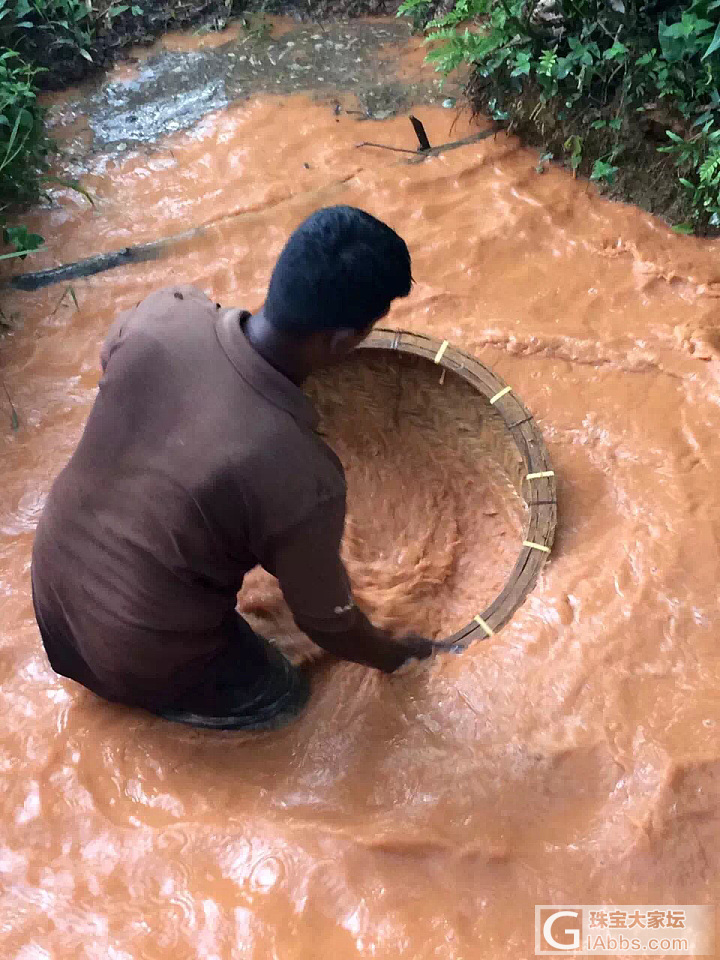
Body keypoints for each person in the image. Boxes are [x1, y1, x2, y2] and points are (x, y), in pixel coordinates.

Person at [31, 206, 434, 731]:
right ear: (339, 343)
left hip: (52, 596)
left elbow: (112, 363)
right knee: (287, 703)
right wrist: (398, 656)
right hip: (137, 654)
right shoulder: (301, 472)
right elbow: (327, 625)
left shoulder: (166, 312)